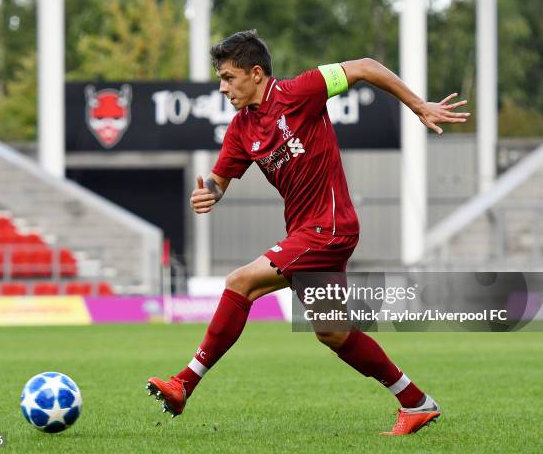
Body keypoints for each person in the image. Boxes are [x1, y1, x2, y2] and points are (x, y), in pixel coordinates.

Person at [147, 29, 469, 436]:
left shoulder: (302, 91)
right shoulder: (242, 129)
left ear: (257, 73)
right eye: (221, 79)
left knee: (240, 283)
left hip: (329, 227)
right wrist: (207, 194)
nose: (223, 87)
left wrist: (418, 105)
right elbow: (218, 179)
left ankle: (183, 383)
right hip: (309, 231)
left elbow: (367, 67)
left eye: (229, 78)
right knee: (333, 333)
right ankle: (415, 402)